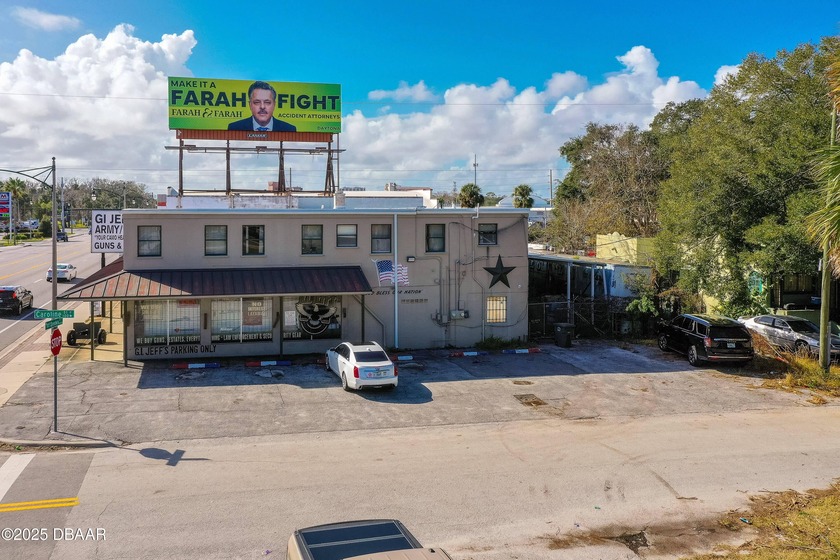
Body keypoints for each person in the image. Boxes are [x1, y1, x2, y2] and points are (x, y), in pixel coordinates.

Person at [227, 81, 296, 132]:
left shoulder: (289, 129)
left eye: (267, 102)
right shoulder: (235, 128)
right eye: (257, 102)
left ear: (274, 104)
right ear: (250, 105)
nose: (262, 107)